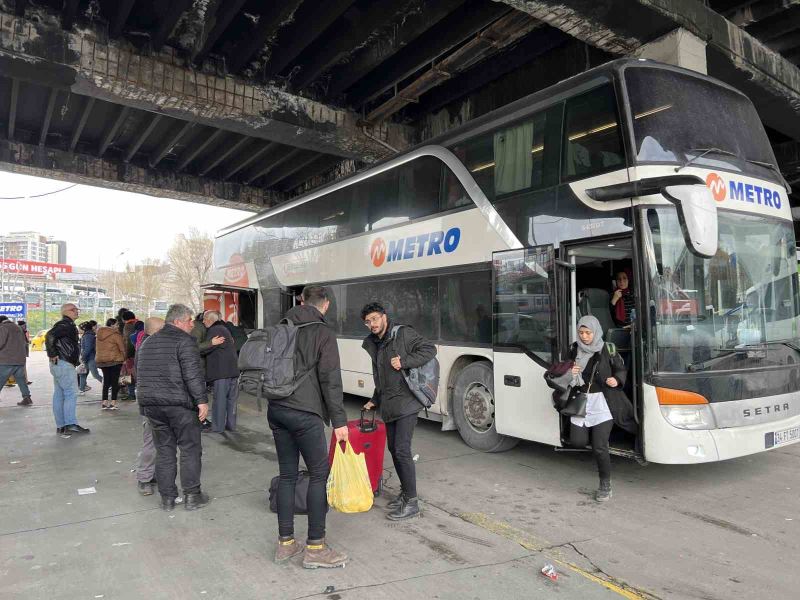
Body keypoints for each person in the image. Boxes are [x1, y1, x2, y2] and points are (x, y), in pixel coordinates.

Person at [269, 286, 349, 568]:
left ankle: (286, 544)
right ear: (324, 304)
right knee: (318, 475)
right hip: (305, 412)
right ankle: (315, 547)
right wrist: (340, 422)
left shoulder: (280, 327)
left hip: (277, 409)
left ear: (301, 301)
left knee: (287, 476)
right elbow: (330, 380)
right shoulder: (322, 332)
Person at [361, 302, 436, 521]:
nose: (372, 324)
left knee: (402, 450)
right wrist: (374, 400)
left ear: (384, 317)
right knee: (394, 449)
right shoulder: (375, 343)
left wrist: (405, 362)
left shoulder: (403, 334)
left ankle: (412, 503)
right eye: (367, 321)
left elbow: (430, 350)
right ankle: (405, 493)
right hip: (390, 403)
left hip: (407, 402)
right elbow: (382, 376)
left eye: (374, 318)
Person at [136, 304, 210, 511]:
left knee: (164, 451)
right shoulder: (185, 341)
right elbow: (192, 374)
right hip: (179, 405)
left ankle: (167, 498)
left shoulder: (148, 342)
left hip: (152, 406)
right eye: (189, 320)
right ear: (177, 322)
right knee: (190, 449)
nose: (192, 324)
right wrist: (201, 401)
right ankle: (192, 496)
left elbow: (140, 375)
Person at [567, 315, 636, 502]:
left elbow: (620, 369)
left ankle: (605, 485)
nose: (584, 336)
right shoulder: (574, 349)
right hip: (581, 400)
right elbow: (563, 369)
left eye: (588, 332)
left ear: (595, 331)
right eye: (581, 332)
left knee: (599, 447)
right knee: (577, 442)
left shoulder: (607, 348)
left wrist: (617, 380)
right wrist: (569, 372)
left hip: (603, 402)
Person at [45, 303, 90, 436]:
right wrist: (52, 353)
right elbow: (49, 336)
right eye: (73, 309)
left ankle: (61, 426)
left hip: (59, 363)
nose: (77, 311)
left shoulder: (64, 324)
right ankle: (70, 424)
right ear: (66, 312)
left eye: (77, 309)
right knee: (71, 393)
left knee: (59, 394)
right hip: (64, 363)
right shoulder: (65, 325)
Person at [134, 317, 164, 496]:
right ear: (155, 330)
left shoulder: (153, 345)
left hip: (159, 400)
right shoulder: (148, 348)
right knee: (151, 441)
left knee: (160, 442)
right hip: (152, 402)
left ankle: (152, 475)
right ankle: (144, 478)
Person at [201, 311, 239, 434]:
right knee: (231, 399)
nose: (203, 321)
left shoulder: (214, 330)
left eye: (205, 319)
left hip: (222, 372)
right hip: (233, 371)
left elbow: (206, 349)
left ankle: (217, 427)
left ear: (210, 320)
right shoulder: (225, 328)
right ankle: (231, 425)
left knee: (220, 399)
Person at [0, 315, 32, 406]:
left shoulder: (3, 328)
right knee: (21, 380)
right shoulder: (17, 327)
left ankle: (27, 398)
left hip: (7, 360)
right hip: (20, 359)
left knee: (1, 379)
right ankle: (27, 397)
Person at [96, 318, 126, 410]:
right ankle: (113, 402)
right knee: (114, 382)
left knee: (106, 382)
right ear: (112, 325)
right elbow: (122, 348)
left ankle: (104, 402)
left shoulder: (99, 334)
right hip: (115, 360)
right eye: (116, 324)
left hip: (102, 361)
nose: (118, 326)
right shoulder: (116, 335)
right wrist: (124, 358)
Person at [78, 321, 103, 395]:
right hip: (87, 358)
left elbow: (88, 348)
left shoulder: (88, 336)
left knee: (95, 374)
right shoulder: (87, 335)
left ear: (84, 328)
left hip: (90, 358)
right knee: (83, 373)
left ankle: (109, 385)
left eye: (80, 328)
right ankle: (81, 389)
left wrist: (83, 357)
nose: (79, 330)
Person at [121, 310, 141, 400]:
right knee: (137, 374)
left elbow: (128, 342)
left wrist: (126, 356)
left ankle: (131, 394)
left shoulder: (128, 326)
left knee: (127, 374)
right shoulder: (139, 323)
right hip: (139, 352)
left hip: (131, 354)